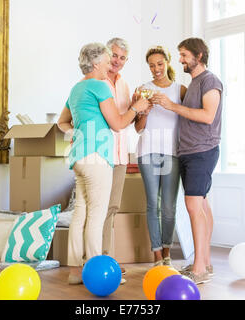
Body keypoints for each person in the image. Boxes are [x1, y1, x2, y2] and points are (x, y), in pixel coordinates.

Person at [57, 42, 149, 285]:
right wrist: (136, 108)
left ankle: (76, 271)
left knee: (81, 213)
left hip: (79, 157)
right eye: (108, 60)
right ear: (96, 63)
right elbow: (118, 123)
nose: (111, 64)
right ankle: (97, 272)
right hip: (97, 157)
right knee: (97, 215)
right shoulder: (99, 86)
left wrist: (76, 132)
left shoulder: (76, 88)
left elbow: (61, 122)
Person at [151, 38, 223, 285]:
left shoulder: (210, 81)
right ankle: (203, 262)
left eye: (184, 55)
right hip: (190, 152)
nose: (180, 59)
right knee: (201, 206)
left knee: (194, 206)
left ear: (199, 55)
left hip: (202, 151)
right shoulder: (194, 83)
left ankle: (200, 268)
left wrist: (171, 106)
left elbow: (207, 116)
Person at [134, 46, 187, 267]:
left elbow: (188, 119)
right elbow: (138, 128)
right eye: (151, 65)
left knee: (168, 206)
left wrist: (168, 104)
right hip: (147, 151)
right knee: (152, 205)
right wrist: (145, 111)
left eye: (159, 64)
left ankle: (167, 253)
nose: (156, 69)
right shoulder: (141, 90)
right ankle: (156, 256)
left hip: (172, 153)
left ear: (167, 62)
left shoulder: (180, 90)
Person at [101, 38, 132, 273]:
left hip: (121, 156)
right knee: (97, 208)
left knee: (112, 208)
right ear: (104, 53)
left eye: (122, 57)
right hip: (100, 155)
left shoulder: (124, 85)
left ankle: (106, 259)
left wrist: (142, 109)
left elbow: (128, 120)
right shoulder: (95, 81)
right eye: (114, 55)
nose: (117, 61)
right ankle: (94, 259)